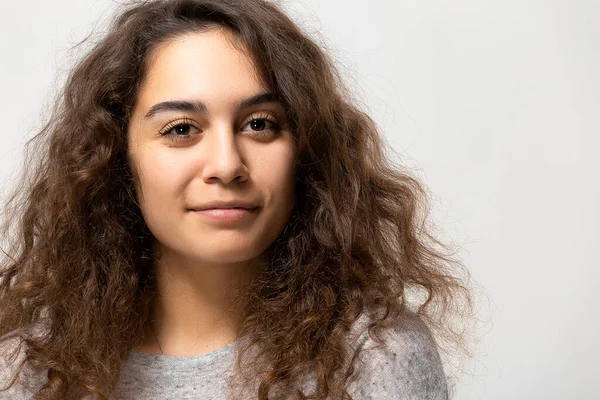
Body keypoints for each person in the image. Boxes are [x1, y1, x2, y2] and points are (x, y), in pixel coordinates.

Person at [0, 0, 474, 399]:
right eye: (181, 129)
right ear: (116, 159)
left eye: (260, 124)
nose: (227, 164)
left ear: (306, 150)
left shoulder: (374, 356)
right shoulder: (29, 369)